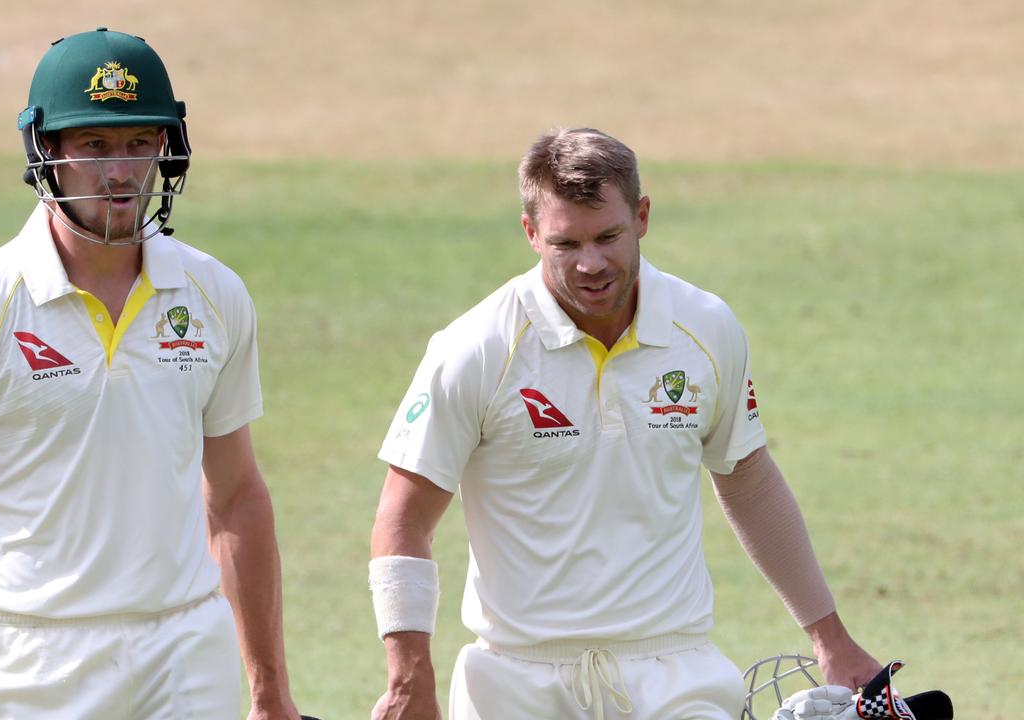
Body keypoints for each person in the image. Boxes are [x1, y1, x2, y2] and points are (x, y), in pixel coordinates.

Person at [0, 28, 304, 720]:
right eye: (94, 146)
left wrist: (271, 690)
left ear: (167, 145)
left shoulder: (215, 295)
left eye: (137, 143)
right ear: (47, 152)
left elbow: (238, 494)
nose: (121, 172)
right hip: (36, 664)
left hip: (187, 652)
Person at [368, 127, 881, 719]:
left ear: (641, 216)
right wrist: (409, 678)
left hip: (675, 673)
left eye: (608, 236)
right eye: (566, 244)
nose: (591, 264)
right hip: (517, 683)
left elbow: (747, 479)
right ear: (531, 233)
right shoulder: (476, 349)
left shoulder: (705, 327)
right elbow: (401, 520)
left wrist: (830, 638)